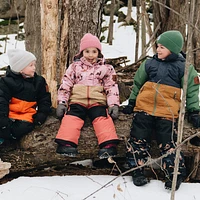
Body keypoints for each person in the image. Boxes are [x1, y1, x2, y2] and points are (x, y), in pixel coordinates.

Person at [122, 30, 200, 190]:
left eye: (162, 47)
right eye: (158, 46)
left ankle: (174, 173)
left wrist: (194, 110)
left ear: (173, 49)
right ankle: (136, 170)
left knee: (168, 141)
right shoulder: (149, 63)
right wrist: (131, 102)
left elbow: (191, 90)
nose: (158, 50)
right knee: (138, 138)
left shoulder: (184, 67)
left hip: (167, 112)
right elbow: (137, 83)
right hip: (144, 108)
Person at [55, 33, 120, 158]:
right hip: (78, 100)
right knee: (72, 117)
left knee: (102, 118)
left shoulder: (106, 68)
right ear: (82, 52)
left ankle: (108, 145)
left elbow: (111, 86)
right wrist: (62, 102)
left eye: (94, 51)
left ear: (99, 53)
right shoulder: (75, 67)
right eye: (87, 51)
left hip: (97, 101)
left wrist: (113, 104)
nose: (90, 55)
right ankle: (66, 144)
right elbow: (66, 84)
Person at [0, 49, 52, 143]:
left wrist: (42, 113)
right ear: (20, 69)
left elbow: (44, 98)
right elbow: (2, 100)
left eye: (34, 65)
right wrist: (2, 118)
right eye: (30, 65)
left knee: (23, 127)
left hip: (27, 114)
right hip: (10, 113)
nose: (34, 68)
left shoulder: (39, 82)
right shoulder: (6, 82)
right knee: (3, 126)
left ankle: (11, 138)